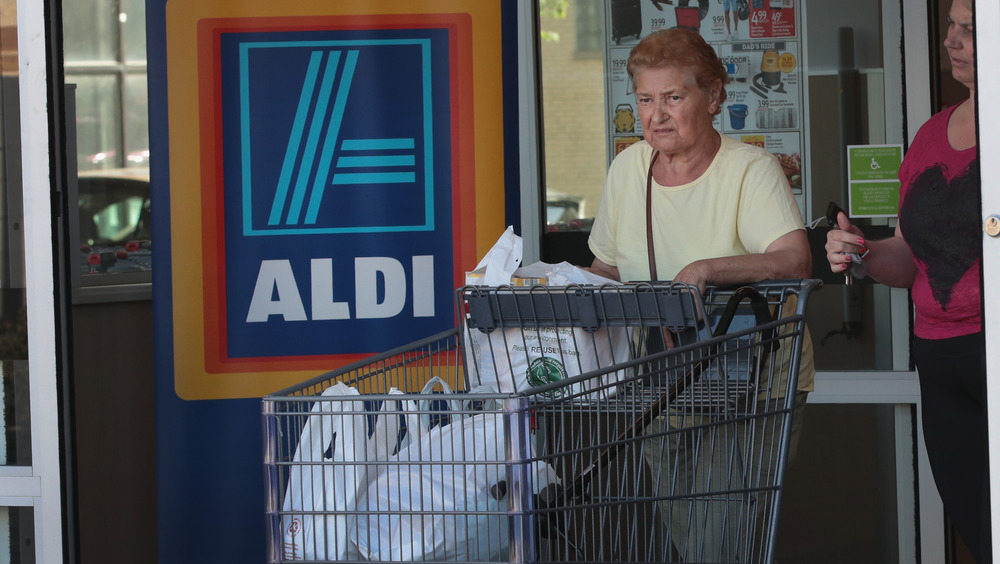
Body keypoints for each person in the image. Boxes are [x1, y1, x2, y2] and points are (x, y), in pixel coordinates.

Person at [588, 28, 814, 561]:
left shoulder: (749, 170)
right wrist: (544, 284)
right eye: (645, 99)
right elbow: (606, 270)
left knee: (720, 542)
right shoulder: (628, 170)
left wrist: (708, 268)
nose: (656, 114)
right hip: (665, 378)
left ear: (713, 97)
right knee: (692, 541)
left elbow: (794, 259)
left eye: (673, 97)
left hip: (749, 380)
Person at [825, 0, 990, 561]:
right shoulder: (931, 134)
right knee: (980, 528)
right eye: (950, 25)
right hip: (942, 360)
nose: (951, 40)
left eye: (970, 28)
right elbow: (909, 255)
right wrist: (863, 254)